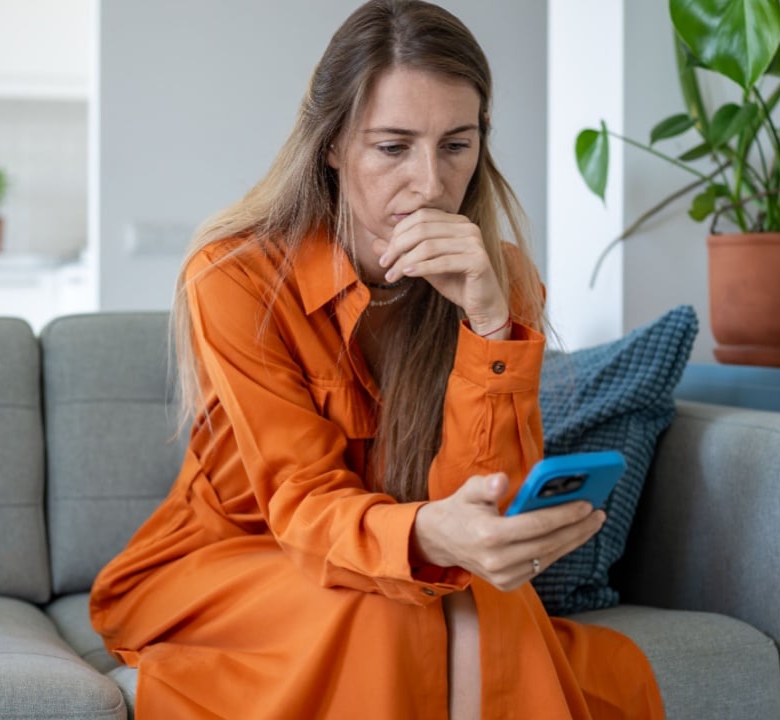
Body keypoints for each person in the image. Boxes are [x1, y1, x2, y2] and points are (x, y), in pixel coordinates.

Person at [88, 1, 664, 717]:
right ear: (331, 144)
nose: (429, 184)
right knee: (401, 609)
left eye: (456, 145)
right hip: (236, 558)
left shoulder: (500, 276)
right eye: (393, 147)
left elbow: (488, 500)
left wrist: (486, 321)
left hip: (408, 557)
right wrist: (424, 535)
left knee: (460, 602)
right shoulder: (235, 276)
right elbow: (299, 500)